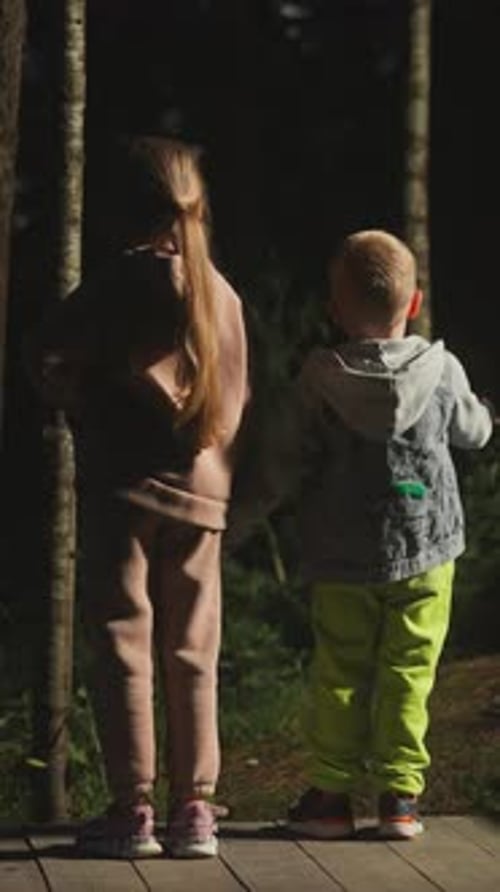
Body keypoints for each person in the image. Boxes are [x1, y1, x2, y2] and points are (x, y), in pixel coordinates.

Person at [25, 137, 248, 858]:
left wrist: (81, 400)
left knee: (124, 637)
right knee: (193, 650)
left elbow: (45, 352)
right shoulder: (223, 293)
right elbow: (236, 404)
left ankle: (134, 811)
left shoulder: (116, 283)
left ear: (126, 211)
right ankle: (196, 812)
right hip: (203, 494)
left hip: (123, 486)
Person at [287, 229, 494, 840]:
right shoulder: (441, 368)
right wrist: (483, 411)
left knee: (341, 669)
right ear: (414, 303)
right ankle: (399, 797)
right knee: (410, 669)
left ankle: (330, 797)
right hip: (427, 548)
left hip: (341, 552)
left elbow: (288, 450)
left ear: (334, 309)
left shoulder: (320, 376)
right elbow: (475, 433)